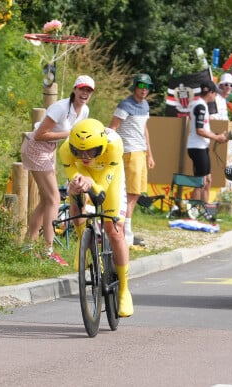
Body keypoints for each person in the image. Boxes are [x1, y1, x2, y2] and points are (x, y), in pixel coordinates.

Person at [59, 118, 133, 317]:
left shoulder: (114, 144)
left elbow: (102, 193)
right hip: (84, 174)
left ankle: (124, 291)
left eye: (91, 151)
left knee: (114, 230)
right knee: (76, 203)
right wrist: (76, 188)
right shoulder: (65, 149)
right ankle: (83, 243)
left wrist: (92, 185)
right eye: (78, 152)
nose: (84, 156)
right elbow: (75, 175)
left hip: (109, 176)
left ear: (100, 146)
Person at [20, 75, 95, 265]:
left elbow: (79, 138)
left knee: (46, 200)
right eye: (82, 89)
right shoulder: (61, 107)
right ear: (74, 89)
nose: (84, 93)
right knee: (54, 198)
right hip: (36, 147)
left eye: (88, 90)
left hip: (50, 149)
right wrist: (70, 133)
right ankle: (48, 250)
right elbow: (39, 134)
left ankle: (28, 246)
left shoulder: (84, 110)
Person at [108, 73, 156, 247]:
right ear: (135, 86)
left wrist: (150, 154)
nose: (144, 90)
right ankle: (125, 232)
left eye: (147, 87)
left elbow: (145, 130)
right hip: (129, 152)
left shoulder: (145, 106)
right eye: (141, 86)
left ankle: (127, 230)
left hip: (141, 152)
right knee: (130, 193)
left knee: (135, 193)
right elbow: (112, 127)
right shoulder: (125, 105)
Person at [187, 80, 229, 203]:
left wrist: (217, 135)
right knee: (201, 181)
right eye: (215, 93)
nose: (215, 95)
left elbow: (204, 129)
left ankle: (205, 208)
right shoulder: (200, 106)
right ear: (210, 92)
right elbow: (199, 130)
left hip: (201, 147)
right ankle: (193, 211)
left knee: (208, 180)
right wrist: (217, 138)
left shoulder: (201, 104)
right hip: (197, 148)